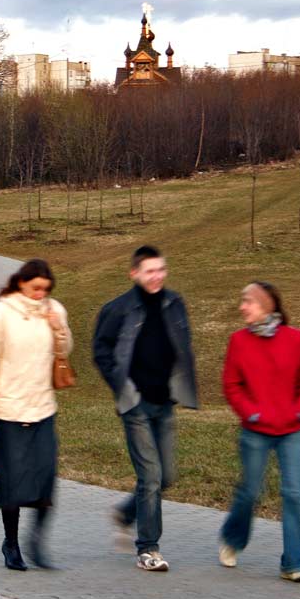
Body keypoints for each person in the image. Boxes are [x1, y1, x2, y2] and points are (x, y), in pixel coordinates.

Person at [92, 245, 198, 572]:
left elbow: (183, 345)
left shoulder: (174, 303)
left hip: (164, 402)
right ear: (134, 273)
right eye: (149, 271)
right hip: (135, 403)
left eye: (161, 270)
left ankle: (125, 513)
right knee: (150, 476)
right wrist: (121, 386)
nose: (157, 276)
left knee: (165, 476)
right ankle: (148, 549)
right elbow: (101, 350)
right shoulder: (119, 309)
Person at [0, 258, 72, 571]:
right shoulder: (0, 313)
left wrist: (59, 328)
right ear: (21, 284)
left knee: (45, 479)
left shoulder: (53, 309)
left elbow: (65, 352)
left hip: (43, 408)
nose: (40, 294)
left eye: (45, 289)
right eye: (35, 289)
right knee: (13, 484)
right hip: (8, 410)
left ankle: (37, 541)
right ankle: (11, 543)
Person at [218, 281, 300, 583]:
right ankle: (233, 539)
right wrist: (251, 412)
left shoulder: (295, 339)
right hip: (256, 430)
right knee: (250, 491)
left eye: (247, 301)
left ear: (265, 305)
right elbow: (231, 384)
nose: (241, 307)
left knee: (294, 494)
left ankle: (293, 563)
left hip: (291, 430)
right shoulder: (238, 340)